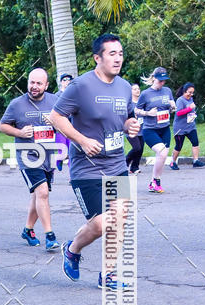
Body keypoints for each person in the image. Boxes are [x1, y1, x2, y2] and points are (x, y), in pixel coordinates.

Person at [49, 33, 141, 289]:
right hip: (86, 168)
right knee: (102, 223)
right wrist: (82, 140)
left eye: (120, 53)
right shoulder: (81, 86)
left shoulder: (124, 87)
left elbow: (124, 119)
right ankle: (73, 248)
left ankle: (108, 275)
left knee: (119, 219)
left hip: (116, 165)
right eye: (111, 54)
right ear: (97, 58)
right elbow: (56, 117)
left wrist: (129, 125)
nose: (118, 58)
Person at [0, 68, 60, 251]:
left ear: (46, 85)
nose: (34, 86)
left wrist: (55, 123)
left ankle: (28, 229)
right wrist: (19, 132)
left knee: (38, 194)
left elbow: (65, 125)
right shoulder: (17, 104)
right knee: (42, 193)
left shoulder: (55, 101)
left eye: (38, 83)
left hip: (48, 155)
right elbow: (2, 125)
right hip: (28, 155)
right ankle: (50, 235)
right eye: (31, 82)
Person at [136, 67, 175, 194]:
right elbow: (136, 111)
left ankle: (154, 181)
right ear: (154, 78)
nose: (162, 83)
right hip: (150, 130)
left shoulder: (167, 91)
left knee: (162, 157)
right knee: (162, 153)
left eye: (164, 81)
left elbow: (170, 107)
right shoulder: (145, 94)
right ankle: (156, 182)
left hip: (165, 128)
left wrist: (172, 107)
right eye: (160, 81)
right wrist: (148, 113)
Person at [171, 83, 205, 169]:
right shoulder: (180, 100)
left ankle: (195, 161)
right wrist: (189, 108)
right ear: (184, 91)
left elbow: (190, 110)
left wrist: (193, 113)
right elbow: (178, 113)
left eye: (192, 93)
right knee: (178, 146)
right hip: (180, 128)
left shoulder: (191, 99)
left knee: (195, 142)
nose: (191, 94)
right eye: (189, 92)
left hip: (190, 126)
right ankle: (173, 162)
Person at [125, 84, 146, 173]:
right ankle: (125, 162)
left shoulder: (142, 103)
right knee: (136, 148)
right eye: (134, 89)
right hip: (131, 130)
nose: (137, 90)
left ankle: (134, 167)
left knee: (140, 149)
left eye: (138, 89)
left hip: (142, 129)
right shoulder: (129, 104)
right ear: (131, 91)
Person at [54, 74, 73, 171]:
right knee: (62, 153)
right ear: (61, 82)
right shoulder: (56, 96)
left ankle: (72, 176)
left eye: (69, 80)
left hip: (71, 128)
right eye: (64, 80)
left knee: (72, 152)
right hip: (60, 129)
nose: (67, 82)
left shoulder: (73, 95)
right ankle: (58, 160)